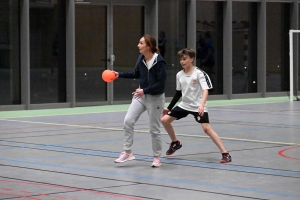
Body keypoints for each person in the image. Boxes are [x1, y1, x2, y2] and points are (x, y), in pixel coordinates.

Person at [161, 48, 231, 163]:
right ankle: (175, 142)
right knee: (164, 120)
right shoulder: (179, 75)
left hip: (198, 105)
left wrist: (202, 105)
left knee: (206, 129)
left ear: (192, 59)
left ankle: (225, 154)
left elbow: (206, 90)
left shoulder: (199, 73)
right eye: (181, 60)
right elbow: (178, 93)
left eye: (185, 59)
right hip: (184, 105)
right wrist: (168, 108)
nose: (182, 62)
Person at [112, 34, 167, 167]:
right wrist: (119, 75)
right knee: (128, 121)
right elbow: (137, 74)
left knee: (154, 129)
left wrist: (145, 90)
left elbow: (161, 84)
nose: (138, 45)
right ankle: (127, 152)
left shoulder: (159, 62)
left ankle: (157, 157)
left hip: (155, 98)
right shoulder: (140, 59)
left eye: (141, 43)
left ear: (148, 46)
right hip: (141, 96)